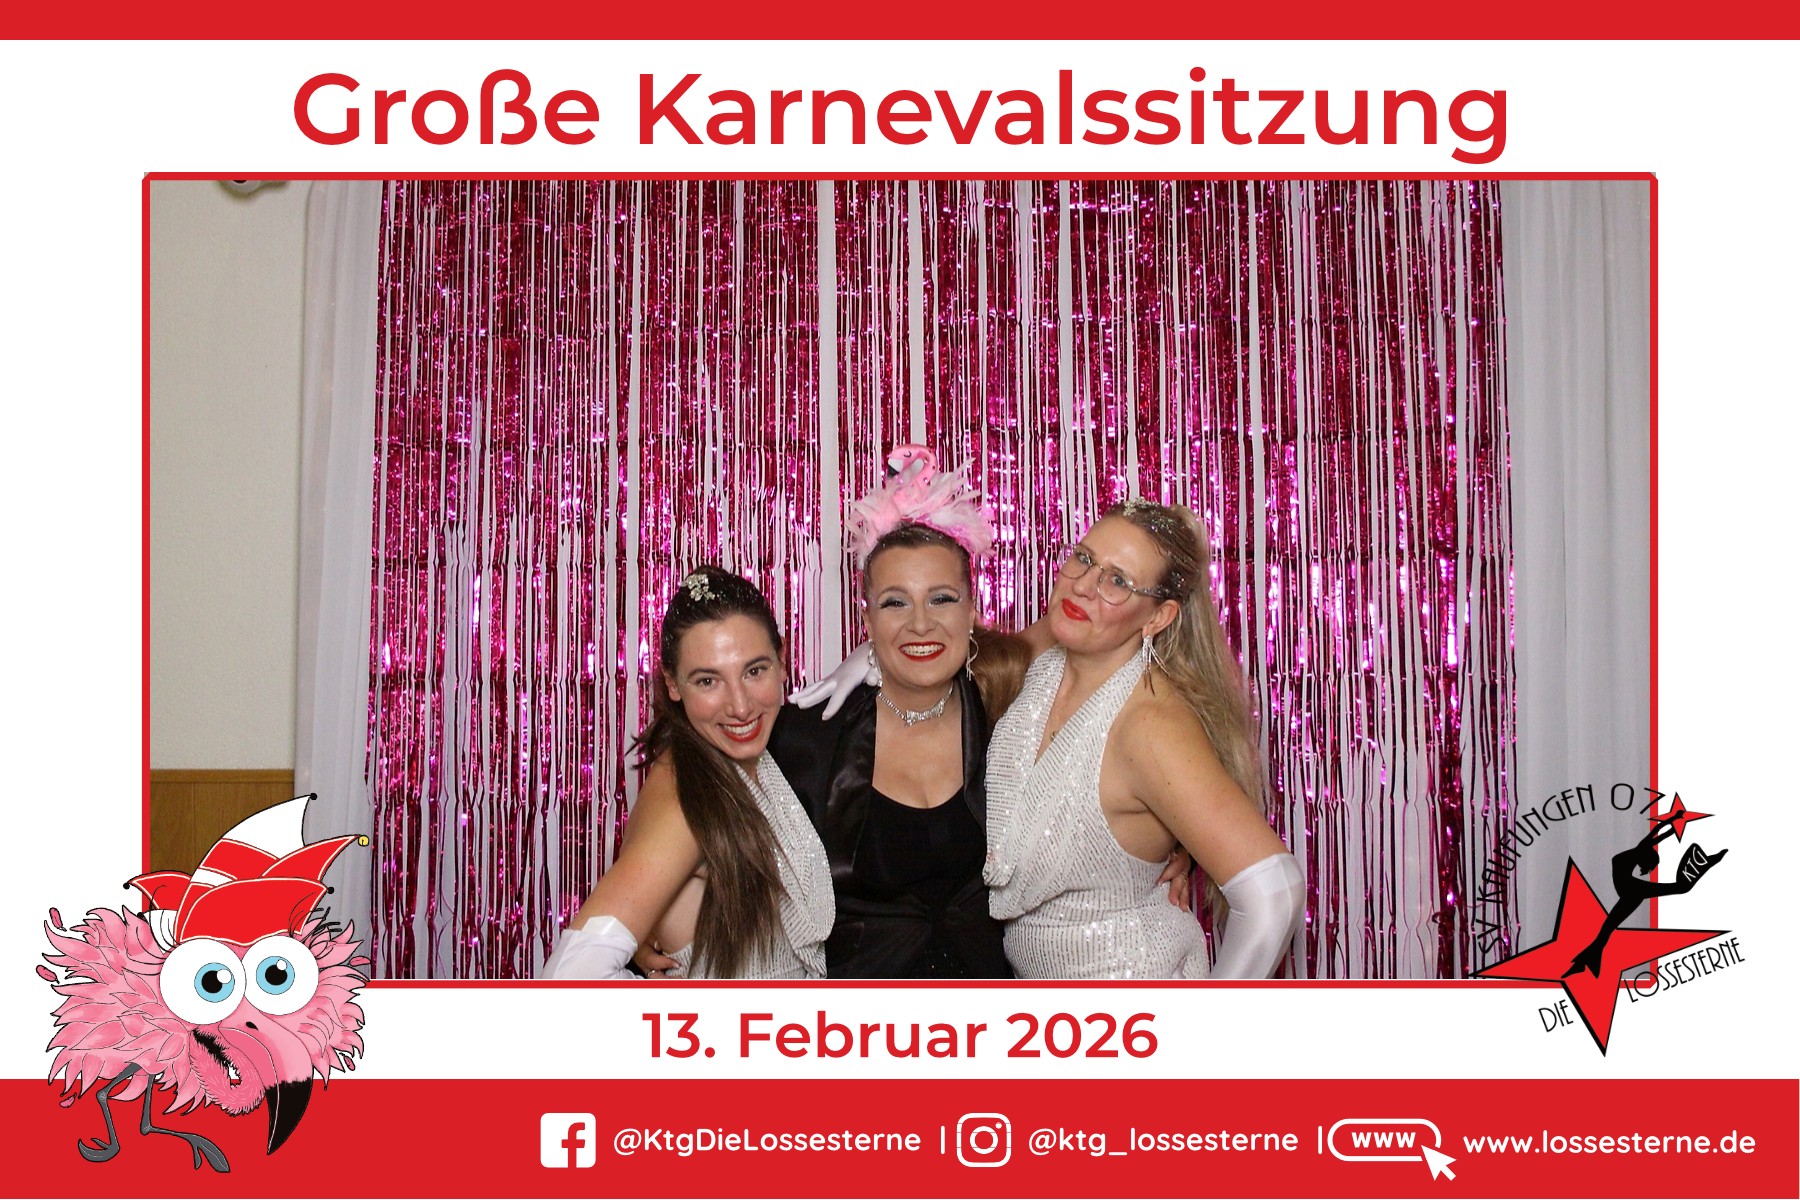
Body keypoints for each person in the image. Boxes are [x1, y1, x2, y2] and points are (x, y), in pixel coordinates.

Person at [984, 499, 1304, 979]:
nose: (1083, 585)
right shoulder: (1053, 652)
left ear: (1157, 618)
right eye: (1084, 558)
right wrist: (872, 660)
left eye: (1118, 581)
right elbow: (948, 655)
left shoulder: (1149, 725)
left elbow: (1274, 893)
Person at [766, 449, 1015, 977]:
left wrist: (1168, 841)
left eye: (942, 599)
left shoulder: (1009, 710)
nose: (921, 624)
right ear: (868, 619)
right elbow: (699, 783)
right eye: (896, 603)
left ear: (973, 610)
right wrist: (657, 920)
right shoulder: (807, 738)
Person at [541, 567, 832, 980]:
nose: (740, 706)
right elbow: (569, 978)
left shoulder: (736, 762)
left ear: (782, 661)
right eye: (708, 681)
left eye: (754, 671)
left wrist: (870, 658)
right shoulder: (683, 798)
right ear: (673, 684)